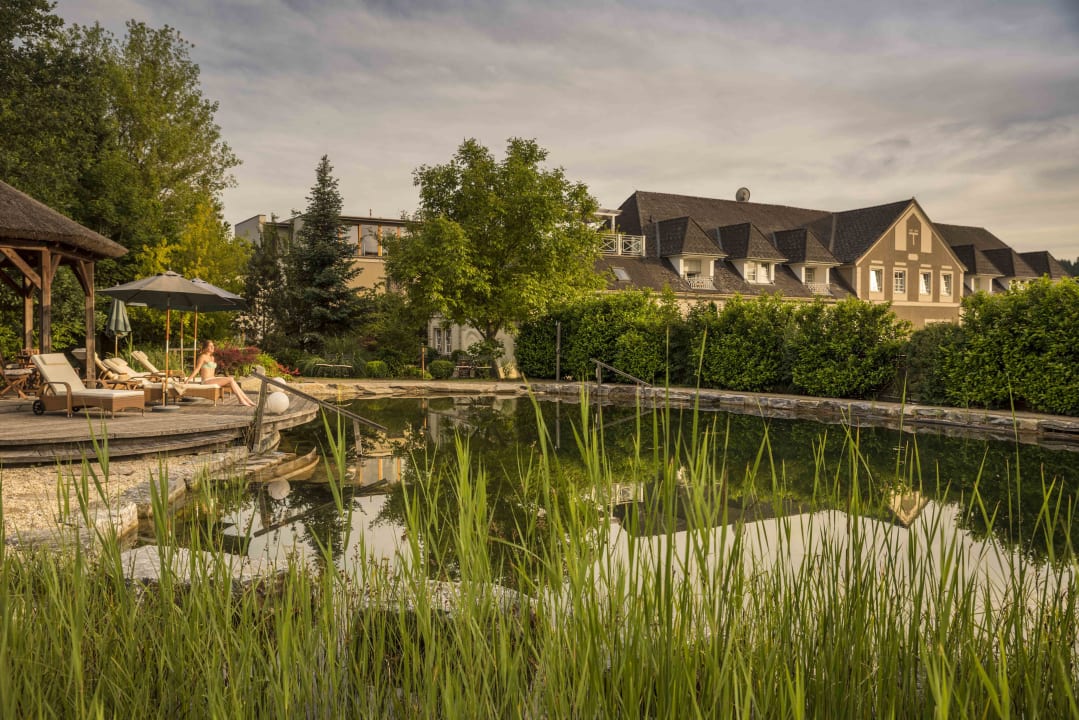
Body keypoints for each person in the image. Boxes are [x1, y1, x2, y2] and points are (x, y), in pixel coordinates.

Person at [187, 340, 255, 407]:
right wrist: (188, 380)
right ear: (205, 348)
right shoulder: (202, 357)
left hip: (212, 379)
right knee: (230, 379)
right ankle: (241, 399)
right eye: (210, 346)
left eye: (213, 346)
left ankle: (246, 399)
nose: (213, 347)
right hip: (206, 381)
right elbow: (197, 369)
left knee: (233, 382)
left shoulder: (212, 358)